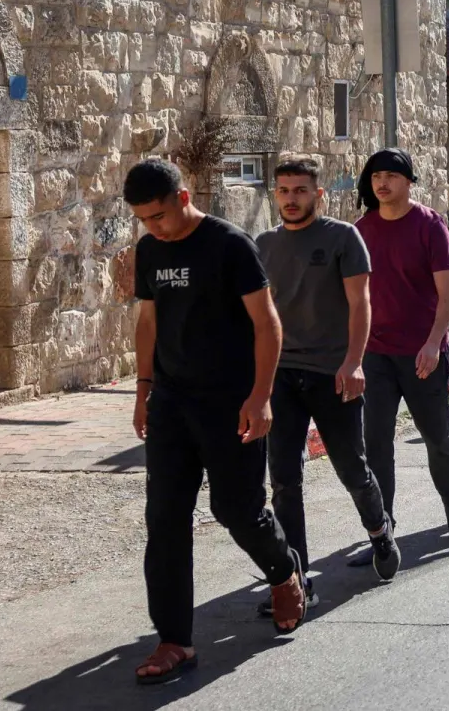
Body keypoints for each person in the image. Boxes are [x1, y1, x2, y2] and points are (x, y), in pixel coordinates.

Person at [126, 159, 306, 684]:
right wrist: (143, 391)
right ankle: (174, 640)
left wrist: (261, 396)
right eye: (144, 220)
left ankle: (282, 570)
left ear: (183, 198)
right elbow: (149, 320)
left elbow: (267, 325)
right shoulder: (150, 251)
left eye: (159, 215)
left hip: (230, 401)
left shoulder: (229, 245)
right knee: (164, 519)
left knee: (237, 509)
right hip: (172, 402)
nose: (153, 227)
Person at [255, 160, 399, 618]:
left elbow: (361, 305)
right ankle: (297, 580)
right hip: (282, 374)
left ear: (317, 193)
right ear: (275, 195)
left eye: (300, 190)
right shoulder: (264, 244)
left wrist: (354, 363)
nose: (291, 198)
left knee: (351, 467)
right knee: (283, 481)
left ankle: (379, 530)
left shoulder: (342, 238)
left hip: (332, 373)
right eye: (283, 191)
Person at [354, 148, 449, 546]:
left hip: (423, 351)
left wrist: (435, 342)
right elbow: (353, 298)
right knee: (376, 442)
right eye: (376, 177)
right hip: (376, 353)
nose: (382, 183)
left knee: (437, 434)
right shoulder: (362, 229)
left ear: (408, 181)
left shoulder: (429, 224)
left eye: (391, 176)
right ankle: (383, 529)